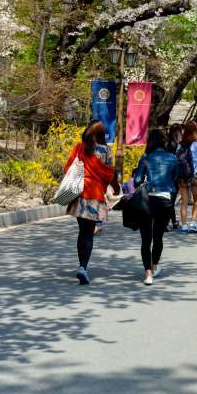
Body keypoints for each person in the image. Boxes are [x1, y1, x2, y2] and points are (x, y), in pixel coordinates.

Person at [66, 121, 120, 285]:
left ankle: (81, 265)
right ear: (101, 134)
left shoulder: (79, 148)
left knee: (82, 232)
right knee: (88, 234)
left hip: (78, 195)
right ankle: (83, 267)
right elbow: (110, 174)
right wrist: (116, 188)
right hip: (95, 196)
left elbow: (67, 168)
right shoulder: (106, 151)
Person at [133, 129, 178, 286]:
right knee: (158, 236)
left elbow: (137, 180)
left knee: (146, 239)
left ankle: (148, 274)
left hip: (147, 200)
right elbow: (176, 178)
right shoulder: (173, 158)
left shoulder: (145, 158)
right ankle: (155, 266)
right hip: (165, 200)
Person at [176, 122, 197, 234]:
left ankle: (184, 226)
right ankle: (193, 223)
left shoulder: (180, 144)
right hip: (194, 175)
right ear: (194, 132)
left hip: (182, 176)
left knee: (184, 201)